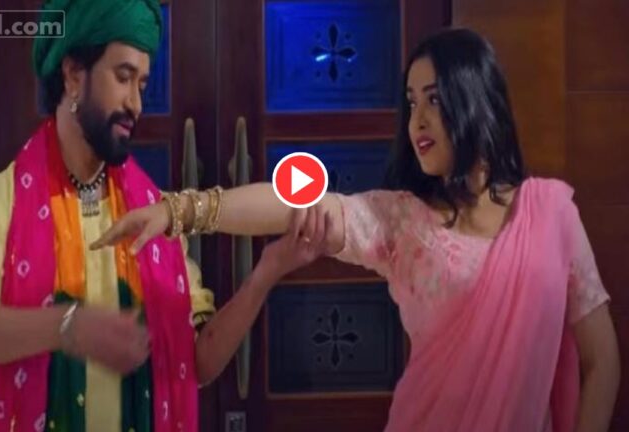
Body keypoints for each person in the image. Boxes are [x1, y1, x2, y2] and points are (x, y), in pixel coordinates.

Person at [92, 29, 621, 432]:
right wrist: (179, 210)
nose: (416, 120)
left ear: (477, 101)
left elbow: (601, 361)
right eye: (411, 102)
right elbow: (296, 203)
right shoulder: (405, 221)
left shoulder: (552, 215)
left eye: (434, 99)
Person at [0, 1, 314, 431]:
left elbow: (197, 363)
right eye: (123, 77)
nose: (136, 104)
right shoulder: (3, 201)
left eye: (142, 85)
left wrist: (265, 273)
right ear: (74, 75)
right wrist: (67, 327)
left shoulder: (152, 213)